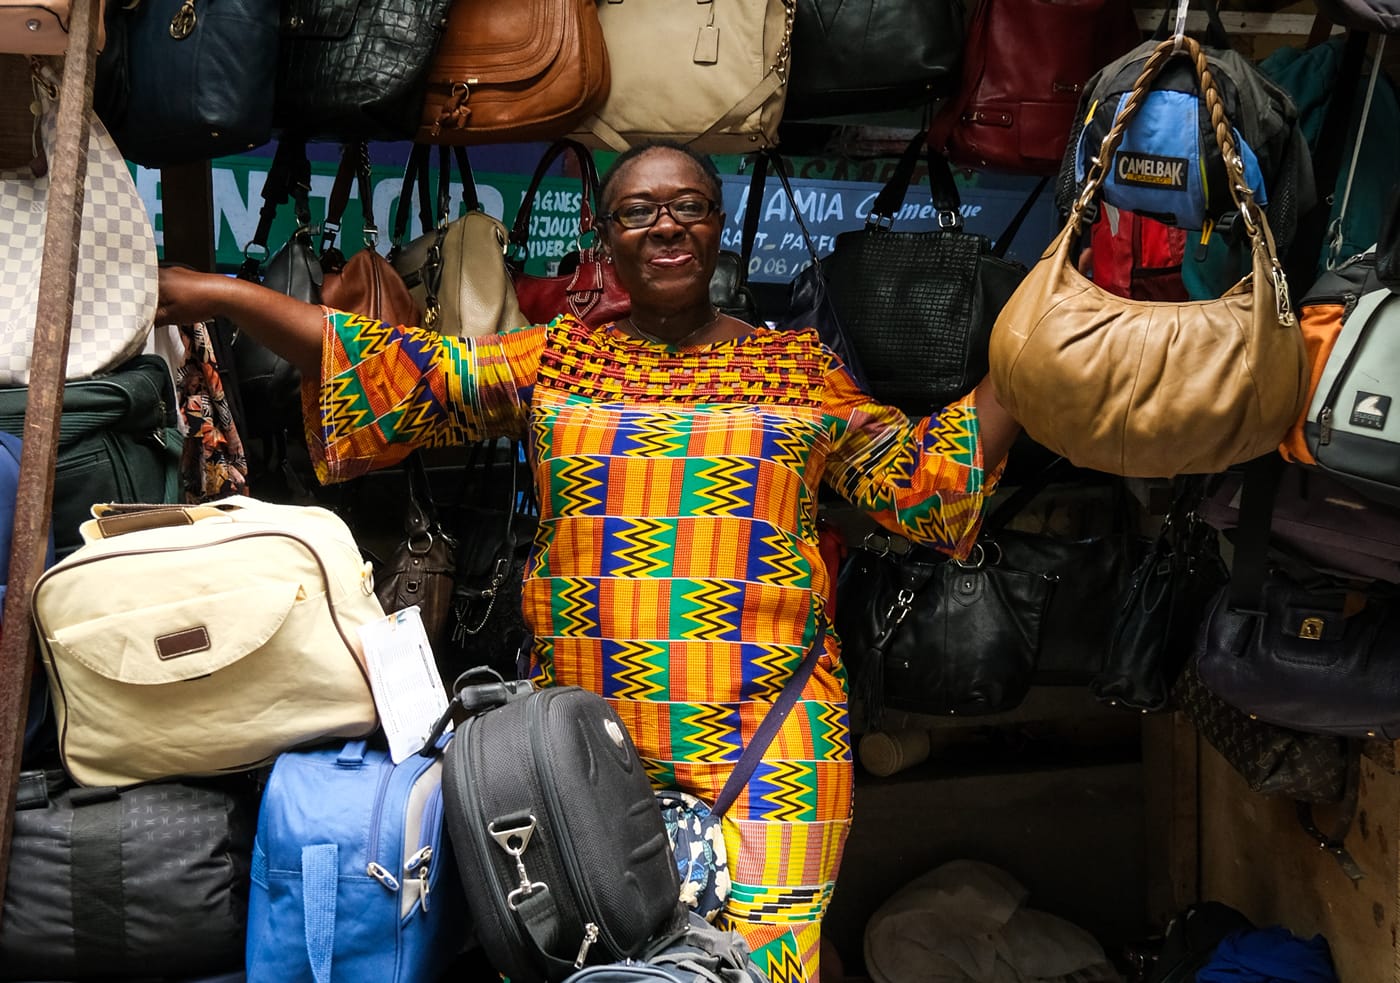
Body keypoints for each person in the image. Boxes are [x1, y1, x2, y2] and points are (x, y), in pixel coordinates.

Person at [156, 140, 1021, 983]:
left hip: (771, 745)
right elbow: (399, 371)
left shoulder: (796, 371)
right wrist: (218, 294)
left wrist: (1025, 360)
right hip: (580, 743)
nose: (666, 225)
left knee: (765, 965)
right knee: (576, 953)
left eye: (688, 206)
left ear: (719, 228)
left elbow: (926, 482)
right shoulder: (559, 360)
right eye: (638, 211)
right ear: (605, 240)